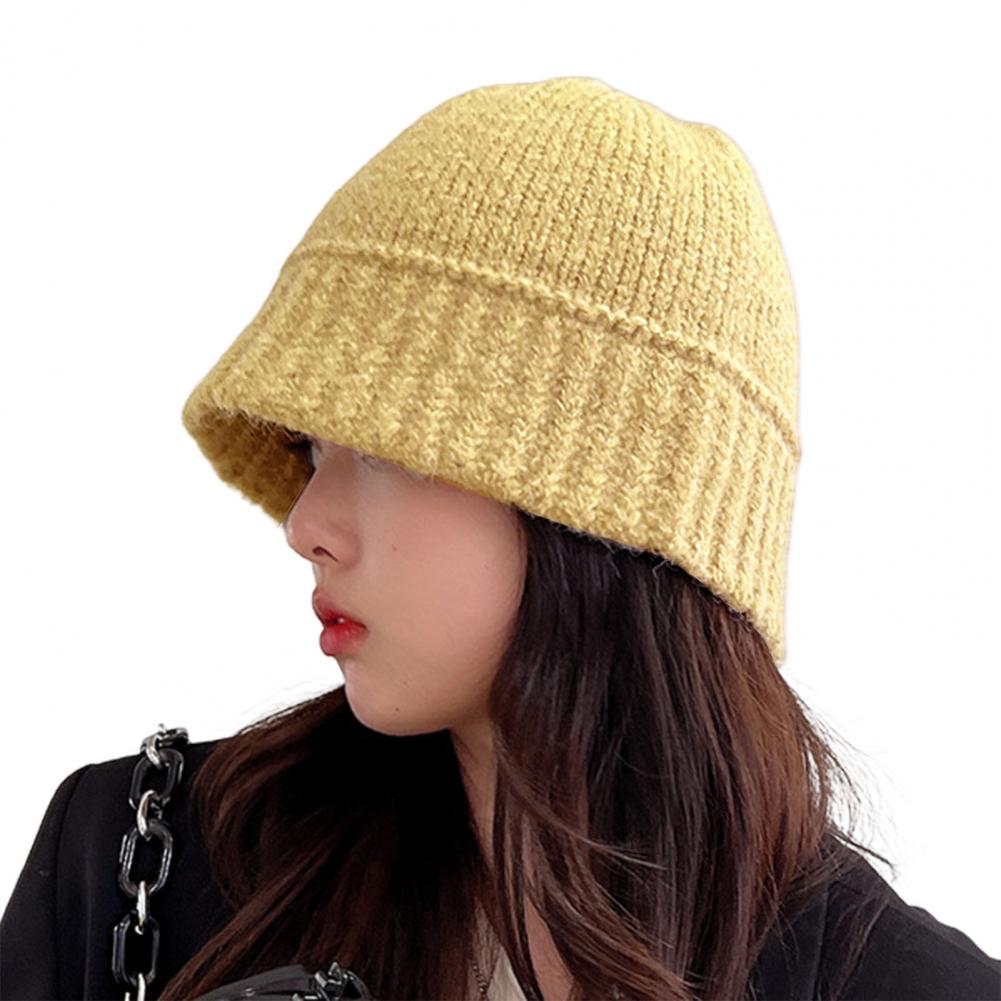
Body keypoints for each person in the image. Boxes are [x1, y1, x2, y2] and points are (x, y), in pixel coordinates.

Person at [2, 75, 999, 1001]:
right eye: (311, 447)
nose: (305, 525)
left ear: (599, 507)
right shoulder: (131, 864)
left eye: (382, 448)